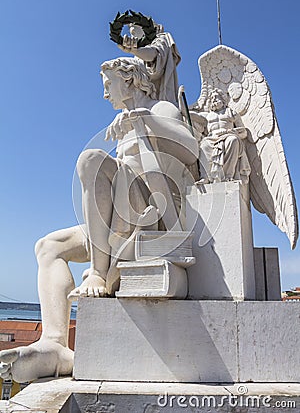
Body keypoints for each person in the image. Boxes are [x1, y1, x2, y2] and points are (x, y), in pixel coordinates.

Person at [0, 57, 198, 383]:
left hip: (150, 214)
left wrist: (143, 120)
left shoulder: (162, 110)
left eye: (108, 85)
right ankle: (55, 344)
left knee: (90, 159)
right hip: (118, 214)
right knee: (48, 246)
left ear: (130, 80)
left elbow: (190, 148)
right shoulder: (121, 120)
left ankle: (98, 273)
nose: (105, 94)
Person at [193, 89, 251, 183]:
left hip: (228, 135)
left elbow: (244, 133)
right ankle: (206, 177)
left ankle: (228, 176)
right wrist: (180, 98)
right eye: (211, 98)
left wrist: (234, 132)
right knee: (203, 145)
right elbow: (187, 114)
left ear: (222, 99)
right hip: (211, 138)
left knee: (233, 141)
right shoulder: (207, 115)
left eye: (216, 97)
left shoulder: (231, 113)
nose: (214, 99)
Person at [119, 22, 181, 105]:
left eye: (133, 33)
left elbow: (154, 55)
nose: (132, 37)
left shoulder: (161, 39)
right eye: (131, 34)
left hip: (162, 100)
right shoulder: (139, 54)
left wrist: (133, 50)